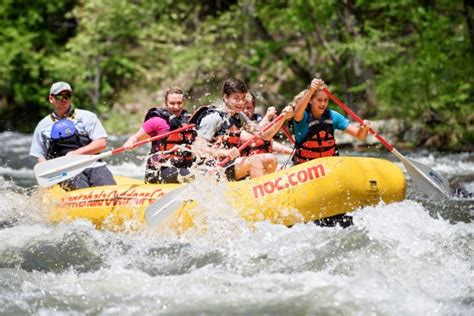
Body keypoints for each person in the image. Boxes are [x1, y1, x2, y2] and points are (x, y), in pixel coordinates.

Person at [192, 78, 293, 181]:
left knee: (271, 159)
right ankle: (257, 192)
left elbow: (265, 135)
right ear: (226, 97)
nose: (241, 102)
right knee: (255, 161)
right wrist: (224, 152)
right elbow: (198, 147)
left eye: (243, 98)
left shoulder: (239, 116)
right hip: (211, 170)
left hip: (228, 166)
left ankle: (259, 187)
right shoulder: (213, 118)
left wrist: (282, 117)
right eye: (236, 98)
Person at [30, 81, 116, 190]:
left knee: (109, 190)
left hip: (94, 165)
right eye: (59, 96)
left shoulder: (88, 117)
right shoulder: (43, 126)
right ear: (51, 99)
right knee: (81, 188)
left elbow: (101, 143)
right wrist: (50, 175)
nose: (64, 99)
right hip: (66, 171)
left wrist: (76, 153)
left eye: (67, 96)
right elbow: (40, 155)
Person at [123, 87, 195, 183]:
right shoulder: (157, 121)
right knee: (186, 175)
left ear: (184, 102)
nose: (176, 107)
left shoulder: (190, 121)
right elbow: (136, 138)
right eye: (172, 103)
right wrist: (130, 142)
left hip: (185, 166)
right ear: (166, 103)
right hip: (160, 170)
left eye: (179, 103)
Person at [292, 78, 372, 164]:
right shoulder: (303, 116)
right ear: (310, 100)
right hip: (305, 168)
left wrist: (364, 129)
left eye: (326, 100)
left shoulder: (333, 116)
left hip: (329, 166)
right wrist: (311, 90)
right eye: (319, 100)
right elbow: (296, 113)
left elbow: (360, 136)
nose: (323, 104)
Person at [242, 90, 293, 156]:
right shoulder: (236, 121)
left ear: (253, 108)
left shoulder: (257, 118)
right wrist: (282, 117)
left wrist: (292, 152)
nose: (245, 111)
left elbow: (268, 141)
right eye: (242, 107)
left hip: (262, 160)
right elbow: (261, 136)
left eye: (248, 108)